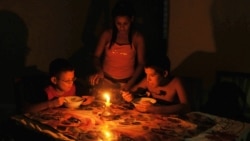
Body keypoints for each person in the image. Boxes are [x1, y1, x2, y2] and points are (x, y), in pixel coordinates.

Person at [89, 0, 145, 99]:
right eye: (118, 24)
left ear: (132, 19)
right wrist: (99, 70)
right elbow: (96, 56)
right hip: (106, 81)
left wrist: (130, 84)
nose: (122, 27)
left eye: (125, 23)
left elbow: (141, 64)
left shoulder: (137, 38)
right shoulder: (107, 35)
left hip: (126, 83)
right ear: (114, 21)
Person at [122, 56, 190, 115]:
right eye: (146, 74)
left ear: (164, 74)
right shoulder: (147, 81)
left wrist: (156, 109)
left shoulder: (176, 82)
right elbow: (133, 91)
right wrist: (130, 95)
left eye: (152, 75)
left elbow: (186, 107)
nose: (148, 79)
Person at [20, 58, 88, 113]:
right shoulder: (45, 92)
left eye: (73, 79)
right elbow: (26, 110)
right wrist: (51, 104)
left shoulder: (74, 87)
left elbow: (87, 96)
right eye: (67, 81)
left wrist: (89, 99)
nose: (71, 83)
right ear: (54, 80)